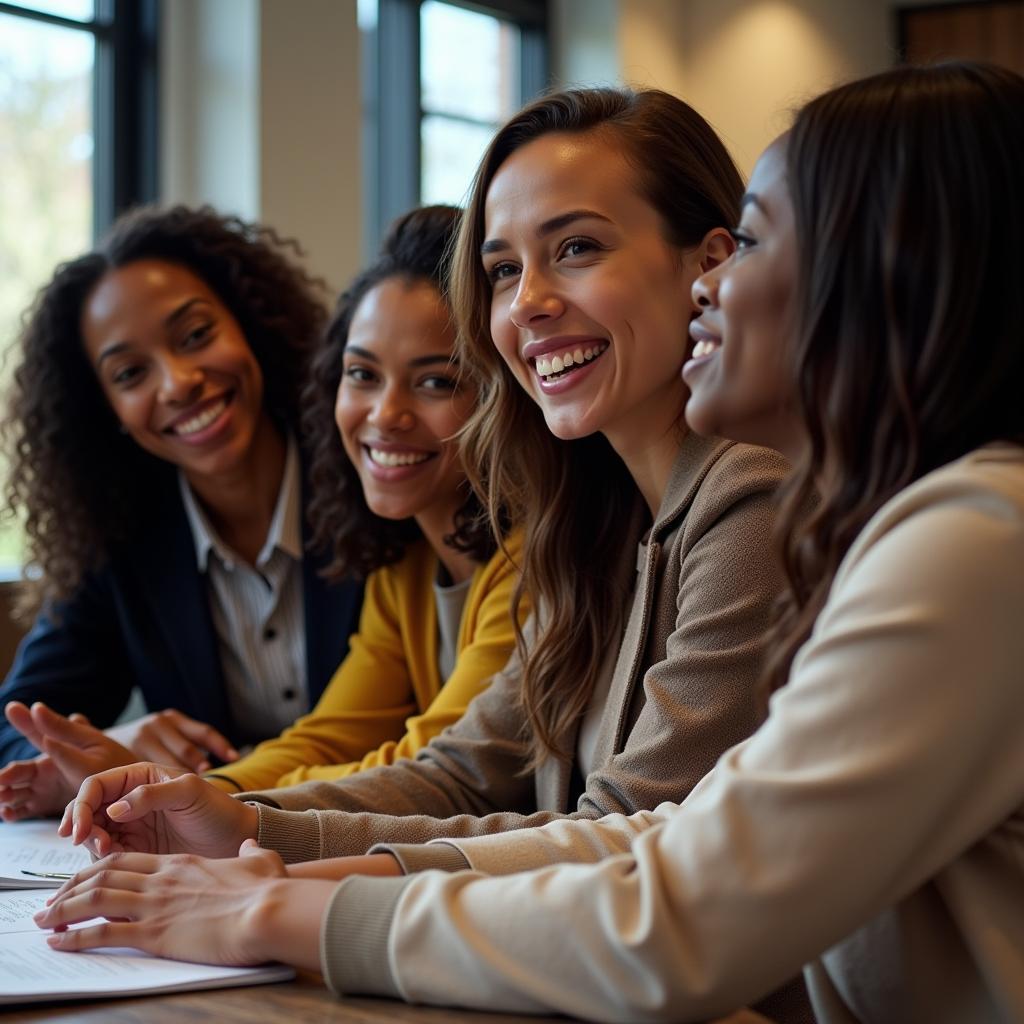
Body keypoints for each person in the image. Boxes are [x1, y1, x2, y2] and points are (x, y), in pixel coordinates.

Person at [42, 87, 838, 1019]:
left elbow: (622, 838)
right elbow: (463, 769)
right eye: (504, 270)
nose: (531, 303)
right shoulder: (591, 527)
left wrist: (287, 896)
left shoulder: (750, 498)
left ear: (706, 267)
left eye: (576, 248)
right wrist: (240, 821)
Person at [7, 205, 526, 798]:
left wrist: (200, 802)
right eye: (362, 375)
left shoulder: (394, 512)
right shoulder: (398, 555)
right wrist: (157, 783)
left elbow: (438, 770)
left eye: (436, 381)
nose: (177, 383)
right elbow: (325, 738)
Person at [0, 206, 363, 819]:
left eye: (196, 336)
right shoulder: (119, 546)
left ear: (250, 324)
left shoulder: (374, 479)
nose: (178, 382)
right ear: (107, 409)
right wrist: (114, 749)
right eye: (131, 373)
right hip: (224, 861)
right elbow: (19, 725)